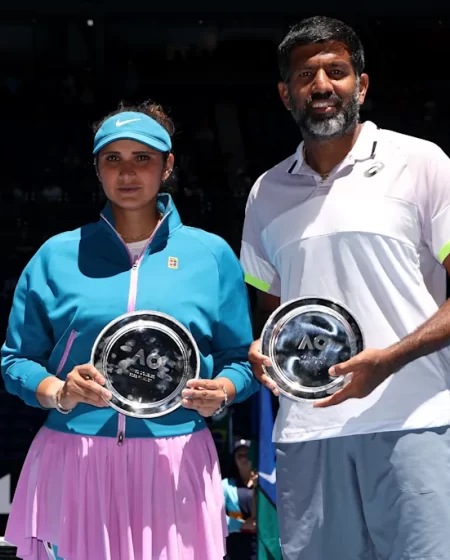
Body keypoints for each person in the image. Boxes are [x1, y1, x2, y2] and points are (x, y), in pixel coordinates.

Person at [1, 101, 258, 560]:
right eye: (113, 159)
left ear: (168, 166)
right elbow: (15, 361)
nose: (127, 172)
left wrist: (222, 389)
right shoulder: (55, 255)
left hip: (174, 458)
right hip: (75, 456)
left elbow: (243, 359)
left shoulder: (211, 255)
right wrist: (58, 390)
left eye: (142, 158)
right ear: (96, 168)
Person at [241, 16, 450, 560]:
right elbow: (274, 311)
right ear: (286, 93)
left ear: (361, 85)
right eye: (306, 74)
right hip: (307, 433)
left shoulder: (422, 163)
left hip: (415, 421)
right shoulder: (265, 192)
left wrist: (392, 358)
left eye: (336, 70)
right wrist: (265, 351)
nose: (322, 85)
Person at [221, 439, 257, 560]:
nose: (243, 459)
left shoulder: (267, 484)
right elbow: (215, 517)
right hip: (235, 546)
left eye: (246, 455)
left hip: (262, 544)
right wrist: (241, 525)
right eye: (239, 455)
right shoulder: (225, 485)